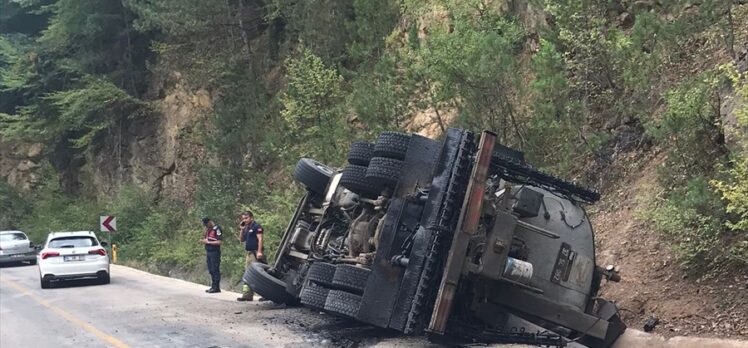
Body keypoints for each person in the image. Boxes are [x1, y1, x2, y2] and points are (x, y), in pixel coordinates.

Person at [237, 211, 263, 301]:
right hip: (248, 253)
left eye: (246, 218)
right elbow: (241, 239)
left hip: (255, 253)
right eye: (243, 218)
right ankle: (247, 295)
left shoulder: (256, 226)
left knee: (258, 274)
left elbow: (260, 239)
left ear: (251, 218)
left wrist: (259, 252)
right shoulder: (246, 228)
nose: (245, 220)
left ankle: (265, 295)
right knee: (248, 274)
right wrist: (241, 229)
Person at [201, 217, 223, 293]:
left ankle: (216, 287)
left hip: (215, 252)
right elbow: (206, 238)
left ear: (210, 222)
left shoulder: (217, 229)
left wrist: (208, 242)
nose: (206, 226)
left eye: (207, 224)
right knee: (210, 269)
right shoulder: (208, 230)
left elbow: (219, 242)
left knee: (215, 269)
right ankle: (213, 286)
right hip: (209, 252)